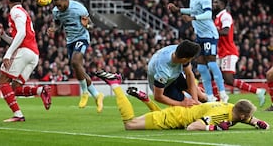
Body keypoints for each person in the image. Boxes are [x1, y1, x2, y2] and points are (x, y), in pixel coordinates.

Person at [96, 72, 270, 131]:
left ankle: (145, 99)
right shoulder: (220, 115)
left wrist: (259, 123)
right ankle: (116, 84)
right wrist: (215, 127)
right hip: (175, 118)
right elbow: (192, 127)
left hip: (179, 113)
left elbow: (245, 116)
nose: (250, 118)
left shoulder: (232, 107)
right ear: (240, 115)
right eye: (249, 117)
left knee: (156, 113)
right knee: (130, 125)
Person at [97, 40, 206, 110]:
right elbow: (158, 96)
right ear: (184, 59)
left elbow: (189, 74)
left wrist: (195, 98)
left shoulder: (179, 50)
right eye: (191, 59)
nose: (191, 60)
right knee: (189, 106)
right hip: (166, 87)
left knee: (202, 98)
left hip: (175, 76)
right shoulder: (163, 71)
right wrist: (181, 104)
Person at [167, 0, 228, 103]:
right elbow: (193, 10)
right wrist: (178, 10)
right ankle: (210, 96)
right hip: (200, 35)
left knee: (211, 63)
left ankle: (223, 93)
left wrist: (192, 18)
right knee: (201, 67)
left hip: (210, 34)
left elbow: (207, 14)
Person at [0, 0, 51, 122]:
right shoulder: (24, 13)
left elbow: (21, 34)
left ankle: (18, 115)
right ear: (22, 1)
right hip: (33, 54)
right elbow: (18, 38)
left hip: (24, 52)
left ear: (8, 1)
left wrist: (8, 55)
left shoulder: (15, 11)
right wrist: (2, 35)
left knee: (2, 81)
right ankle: (40, 91)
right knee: (14, 88)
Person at [47, 0, 104, 112]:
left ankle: (84, 92)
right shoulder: (56, 12)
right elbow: (57, 23)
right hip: (70, 41)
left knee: (75, 62)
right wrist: (54, 29)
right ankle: (97, 95)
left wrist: (87, 26)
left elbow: (91, 25)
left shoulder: (79, 8)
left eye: (59, 5)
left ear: (64, 0)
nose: (58, 8)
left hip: (82, 38)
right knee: (77, 68)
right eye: (56, 6)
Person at [212, 0, 266, 106]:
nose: (214, 4)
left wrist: (210, 32)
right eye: (213, 2)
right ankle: (217, 101)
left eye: (216, 2)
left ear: (222, 4)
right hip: (221, 52)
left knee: (228, 79)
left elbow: (226, 31)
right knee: (214, 74)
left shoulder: (225, 16)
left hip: (228, 52)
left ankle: (259, 91)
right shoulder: (217, 17)